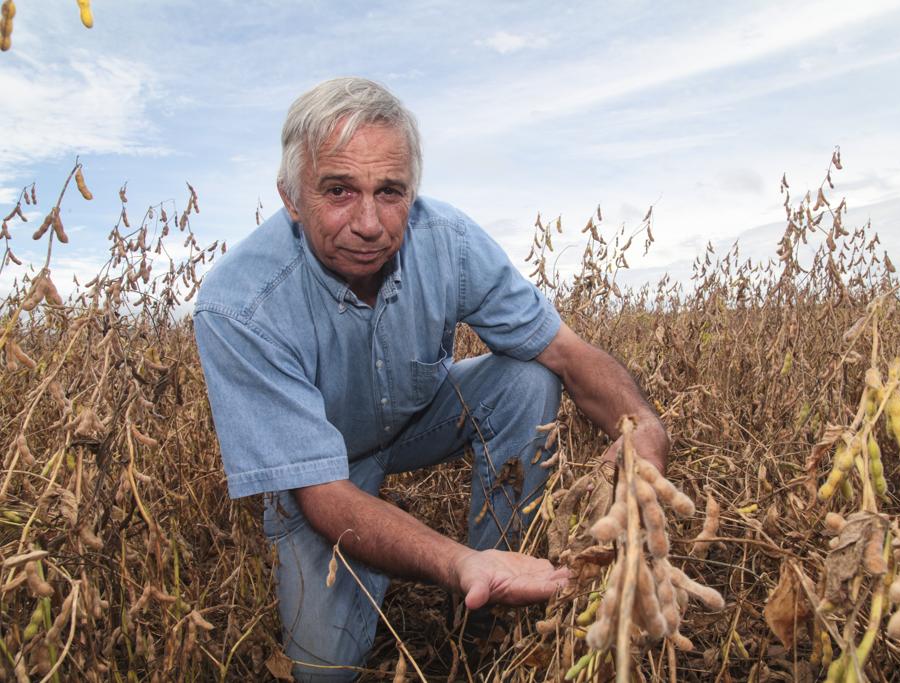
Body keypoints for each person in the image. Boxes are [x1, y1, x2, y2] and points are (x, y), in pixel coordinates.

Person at [194, 77, 668, 681]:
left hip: (417, 418)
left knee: (526, 379)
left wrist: (644, 426)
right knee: (323, 669)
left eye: (390, 192)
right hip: (326, 474)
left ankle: (492, 612)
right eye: (339, 190)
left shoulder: (449, 242)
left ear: (412, 193)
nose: (369, 222)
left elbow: (567, 354)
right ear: (290, 197)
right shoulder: (240, 306)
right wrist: (457, 562)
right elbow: (324, 496)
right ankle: (477, 573)